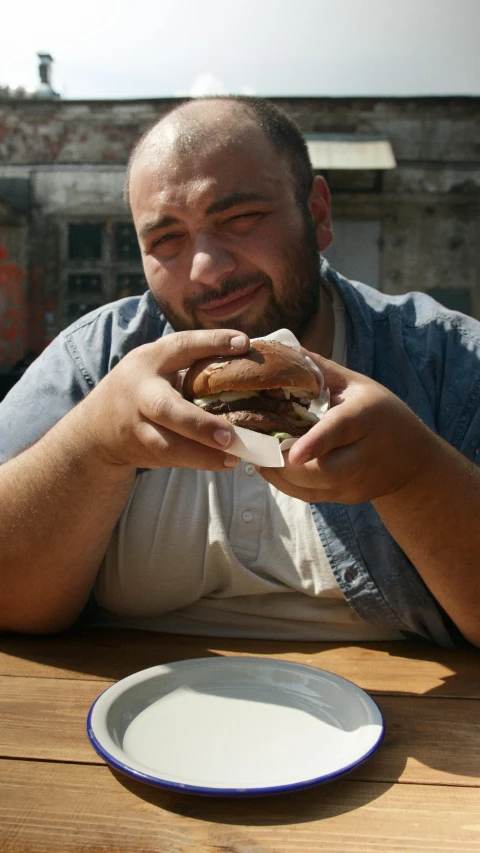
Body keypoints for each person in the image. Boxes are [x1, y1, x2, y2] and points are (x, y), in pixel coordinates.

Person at [0, 96, 479, 648]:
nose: (206, 269)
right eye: (166, 241)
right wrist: (93, 445)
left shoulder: (445, 359)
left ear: (317, 214)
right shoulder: (93, 361)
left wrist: (414, 475)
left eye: (241, 218)